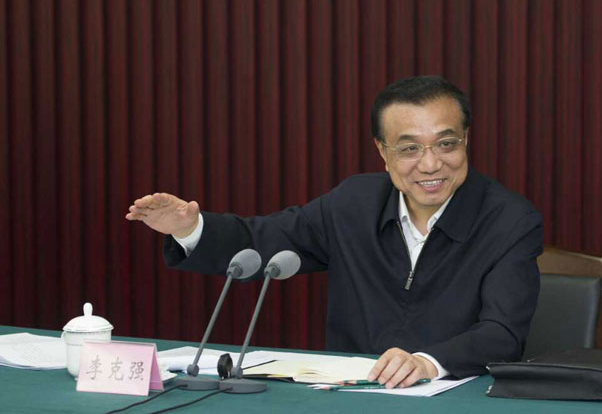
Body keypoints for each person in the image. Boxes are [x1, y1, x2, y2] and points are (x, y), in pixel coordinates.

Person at [127, 76, 543, 388]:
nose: (431, 164)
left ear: (466, 140)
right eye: (410, 148)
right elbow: (265, 241)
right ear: (382, 152)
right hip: (349, 394)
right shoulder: (354, 203)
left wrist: (427, 362)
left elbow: (502, 333)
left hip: (455, 399)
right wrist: (190, 228)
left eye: (446, 144)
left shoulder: (509, 220)